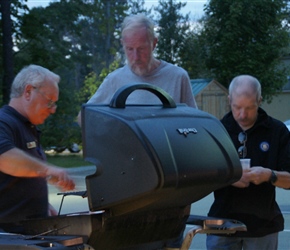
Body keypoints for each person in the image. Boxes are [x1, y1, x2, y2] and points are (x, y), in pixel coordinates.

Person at [77, 13, 197, 249]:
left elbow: (192, 128)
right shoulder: (115, 81)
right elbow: (85, 119)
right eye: (129, 49)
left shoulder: (177, 77)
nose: (135, 57)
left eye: (141, 49)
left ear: (154, 43)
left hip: (170, 191)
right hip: (129, 189)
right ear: (122, 45)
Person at [206, 75, 290, 250]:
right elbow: (201, 176)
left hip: (263, 225)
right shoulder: (216, 130)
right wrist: (229, 178)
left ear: (259, 101)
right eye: (237, 107)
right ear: (229, 100)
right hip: (222, 223)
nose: (242, 115)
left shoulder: (277, 131)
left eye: (250, 108)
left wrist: (269, 175)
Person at [0, 64, 75, 232]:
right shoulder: (4, 122)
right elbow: (4, 158)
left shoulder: (28, 127)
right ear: (28, 92)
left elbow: (15, 181)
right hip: (8, 237)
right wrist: (47, 169)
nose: (53, 110)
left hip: (32, 232)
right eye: (49, 102)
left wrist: (41, 204)